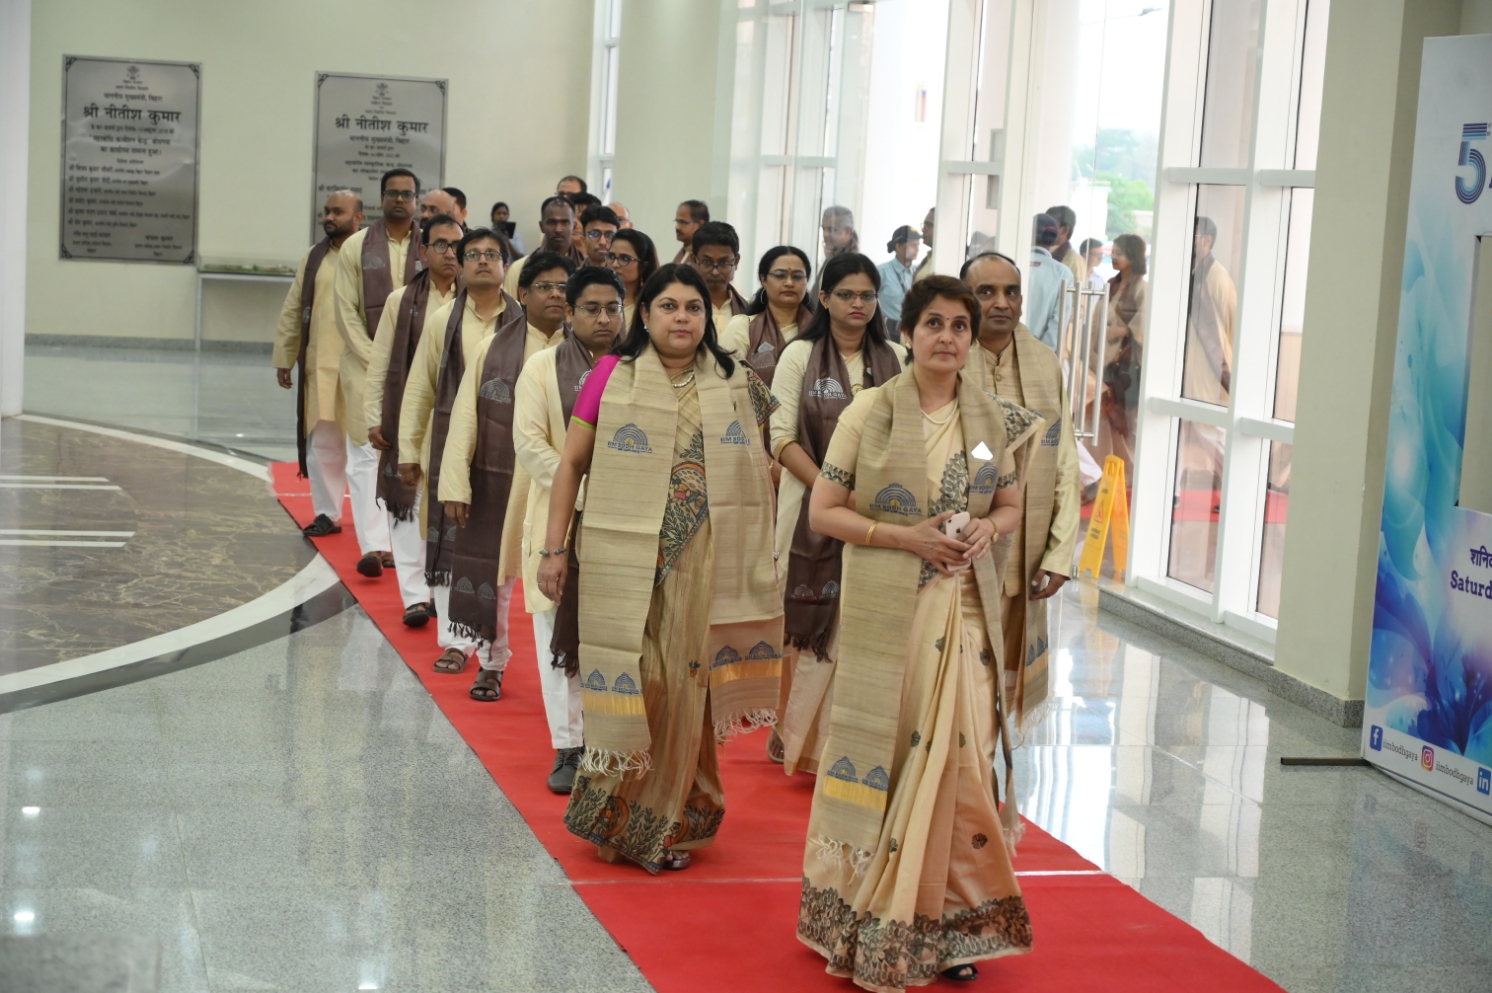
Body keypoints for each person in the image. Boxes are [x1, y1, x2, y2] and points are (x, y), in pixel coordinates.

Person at [796, 274, 1039, 990]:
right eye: (932, 323)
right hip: (889, 614)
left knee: (959, 760)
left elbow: (1007, 502)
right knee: (891, 756)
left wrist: (984, 532)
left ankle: (947, 920)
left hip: (963, 611)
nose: (946, 337)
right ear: (906, 333)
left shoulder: (988, 423)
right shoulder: (869, 413)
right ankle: (862, 913)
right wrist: (908, 539)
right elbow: (825, 513)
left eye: (959, 326)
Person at [537, 264, 781, 874]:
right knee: (641, 679)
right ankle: (618, 817)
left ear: (709, 317)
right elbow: (571, 464)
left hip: (706, 565)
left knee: (683, 686)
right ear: (643, 315)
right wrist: (553, 548)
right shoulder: (608, 376)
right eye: (668, 306)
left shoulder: (737, 385)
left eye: (693, 308)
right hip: (624, 561)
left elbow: (761, 473)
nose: (681, 318)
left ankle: (665, 821)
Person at [768, 252, 909, 774]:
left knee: (857, 625)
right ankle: (796, 735)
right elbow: (779, 437)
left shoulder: (896, 358)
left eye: (867, 295)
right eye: (845, 294)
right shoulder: (797, 357)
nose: (857, 304)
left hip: (875, 516)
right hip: (806, 511)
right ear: (823, 298)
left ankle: (838, 742)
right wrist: (832, 493)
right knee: (802, 622)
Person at [437, 245, 575, 702]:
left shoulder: (588, 352)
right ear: (522, 293)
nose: (555, 295)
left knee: (561, 576)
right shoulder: (491, 348)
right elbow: (464, 419)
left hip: (563, 484)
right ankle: (491, 661)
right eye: (544, 287)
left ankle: (566, 673)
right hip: (500, 479)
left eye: (563, 287)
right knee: (495, 574)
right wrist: (456, 483)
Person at [397, 230, 526, 695]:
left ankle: (492, 651)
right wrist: (409, 451)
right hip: (451, 446)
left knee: (498, 555)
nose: (484, 262)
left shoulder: (525, 324)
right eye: (473, 255)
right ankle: (455, 640)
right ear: (461, 264)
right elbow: (419, 388)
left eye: (493, 255)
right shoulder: (441, 321)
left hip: (509, 455)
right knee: (452, 546)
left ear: (507, 267)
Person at [514, 265, 626, 793]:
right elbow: (530, 444)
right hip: (559, 519)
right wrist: (583, 492)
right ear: (571, 312)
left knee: (618, 637)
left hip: (627, 523)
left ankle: (612, 741)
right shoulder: (541, 366)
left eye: (613, 308)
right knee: (556, 633)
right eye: (591, 309)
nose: (603, 319)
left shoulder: (640, 367)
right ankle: (567, 746)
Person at [960, 251, 1081, 729]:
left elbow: (1065, 461)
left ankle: (983, 771)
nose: (1001, 303)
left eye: (1011, 292)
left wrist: (1058, 554)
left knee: (1000, 677)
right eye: (986, 292)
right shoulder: (945, 355)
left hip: (1024, 551)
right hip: (961, 545)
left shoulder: (1043, 362)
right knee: (958, 672)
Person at [364, 214, 464, 627]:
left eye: (457, 245)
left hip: (459, 419)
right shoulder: (401, 300)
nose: (449, 252)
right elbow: (381, 361)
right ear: (423, 251)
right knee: (408, 505)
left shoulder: (477, 301)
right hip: (409, 414)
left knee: (452, 505)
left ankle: (444, 590)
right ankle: (414, 596)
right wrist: (374, 416)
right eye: (439, 244)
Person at [333, 167, 421, 576]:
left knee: (409, 451)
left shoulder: (431, 246)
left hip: (418, 371)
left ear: (417, 201)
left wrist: (412, 365)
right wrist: (379, 360)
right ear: (381, 199)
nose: (400, 200)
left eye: (407, 194)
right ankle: (374, 545)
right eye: (392, 193)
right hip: (364, 365)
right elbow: (347, 312)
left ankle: (401, 538)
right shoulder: (355, 247)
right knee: (365, 452)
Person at [272, 190, 363, 539]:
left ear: (358, 217)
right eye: (327, 211)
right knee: (324, 442)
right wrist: (285, 355)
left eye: (338, 212)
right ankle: (327, 513)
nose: (329, 217)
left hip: (365, 366)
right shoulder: (314, 257)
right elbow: (294, 308)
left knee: (364, 448)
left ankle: (376, 526)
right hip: (322, 365)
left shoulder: (372, 258)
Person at [720, 245, 812, 387]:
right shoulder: (743, 327)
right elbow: (726, 384)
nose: (789, 282)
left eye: (797, 276)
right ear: (763, 279)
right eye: (780, 275)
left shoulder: (822, 330)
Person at [1097, 232, 1149, 476]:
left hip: (1128, 362)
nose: (1114, 258)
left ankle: (1134, 471)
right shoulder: (1112, 284)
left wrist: (1121, 330)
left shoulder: (1142, 287)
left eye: (1120, 253)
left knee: (1128, 420)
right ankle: (1119, 469)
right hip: (1108, 360)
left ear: (1133, 256)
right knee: (1111, 419)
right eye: (1113, 253)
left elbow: (1145, 324)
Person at [1184, 216, 1235, 406]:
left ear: (1207, 240)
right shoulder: (1192, 271)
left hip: (1209, 366)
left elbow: (1231, 324)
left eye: (1194, 235)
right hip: (1190, 366)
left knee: (1209, 431)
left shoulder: (1218, 276)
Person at [505, 196, 582, 295]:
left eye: (565, 222)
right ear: (542, 226)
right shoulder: (518, 269)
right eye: (551, 222)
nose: (558, 229)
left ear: (574, 226)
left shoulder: (587, 266)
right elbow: (511, 309)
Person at [1025, 212, 1075, 352]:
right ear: (1054, 240)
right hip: (1041, 352)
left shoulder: (1013, 265)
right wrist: (1044, 353)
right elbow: (1059, 321)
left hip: (1008, 348)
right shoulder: (1062, 272)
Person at [690, 221, 749, 332]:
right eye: (707, 262)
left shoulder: (751, 311)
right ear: (694, 260)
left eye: (724, 263)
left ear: (736, 262)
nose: (715, 272)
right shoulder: (679, 308)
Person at [605, 228, 658, 329]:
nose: (615, 264)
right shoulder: (596, 299)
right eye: (611, 256)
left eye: (625, 258)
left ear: (643, 266)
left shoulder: (649, 309)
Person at [810, 206, 859, 304]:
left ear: (847, 231)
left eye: (831, 230)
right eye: (823, 229)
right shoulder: (833, 257)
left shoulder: (853, 265)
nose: (825, 234)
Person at [876, 225, 921, 325]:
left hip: (914, 329)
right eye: (913, 245)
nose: (917, 249)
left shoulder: (920, 273)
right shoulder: (881, 272)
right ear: (899, 246)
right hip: (890, 330)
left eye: (918, 245)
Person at [1045, 205, 1088, 285]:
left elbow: (1078, 296)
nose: (1045, 228)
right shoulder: (1042, 253)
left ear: (1065, 230)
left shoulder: (1075, 260)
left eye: (1050, 225)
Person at [672, 199, 708, 263]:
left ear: (700, 224)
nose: (677, 227)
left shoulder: (706, 255)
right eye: (677, 221)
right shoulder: (684, 251)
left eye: (683, 222)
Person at [913, 207, 936, 282]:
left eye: (928, 225)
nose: (923, 229)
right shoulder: (928, 258)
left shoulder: (953, 260)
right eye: (924, 225)